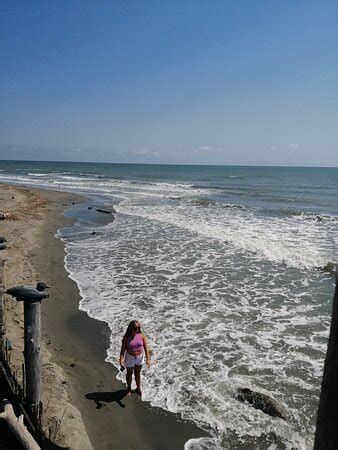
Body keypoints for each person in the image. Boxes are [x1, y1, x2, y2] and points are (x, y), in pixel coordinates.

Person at [119, 320, 150, 396]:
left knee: (137, 373)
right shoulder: (126, 337)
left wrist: (148, 359)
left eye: (138, 328)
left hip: (140, 357)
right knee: (129, 374)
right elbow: (122, 350)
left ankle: (138, 388)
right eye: (135, 328)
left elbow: (146, 347)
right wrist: (121, 361)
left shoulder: (141, 335)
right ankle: (129, 388)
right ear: (131, 328)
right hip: (130, 357)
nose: (137, 330)